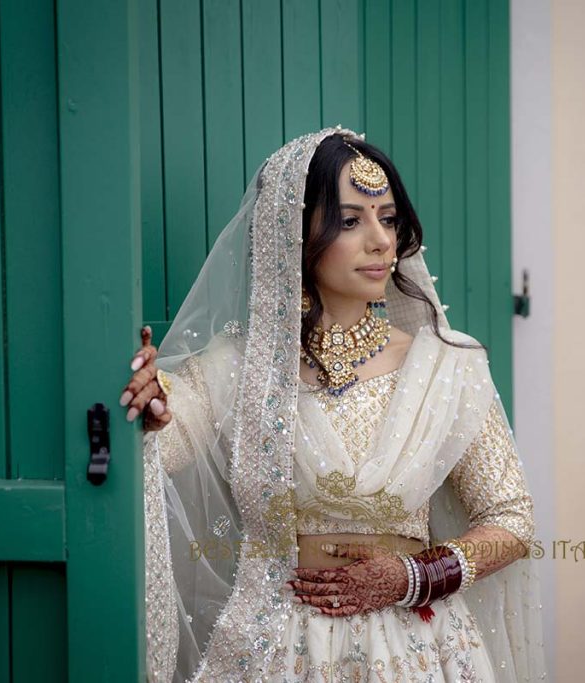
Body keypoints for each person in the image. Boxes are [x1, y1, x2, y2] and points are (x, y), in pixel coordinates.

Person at [120, 127, 546, 681]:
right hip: (276, 647)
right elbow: (153, 454)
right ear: (293, 236)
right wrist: (149, 409)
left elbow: (511, 520)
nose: (381, 241)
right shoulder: (235, 372)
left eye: (388, 218)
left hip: (415, 645)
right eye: (350, 221)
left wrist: (409, 577)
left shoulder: (446, 368)